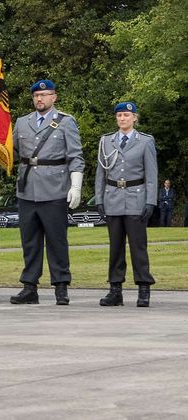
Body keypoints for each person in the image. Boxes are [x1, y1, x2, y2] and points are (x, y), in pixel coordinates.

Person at [10, 80, 84, 305]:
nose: (39, 99)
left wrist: (76, 185)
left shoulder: (65, 122)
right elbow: (12, 152)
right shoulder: (22, 123)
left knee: (56, 240)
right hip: (27, 189)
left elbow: (75, 156)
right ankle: (29, 287)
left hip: (54, 189)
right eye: (36, 95)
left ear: (54, 97)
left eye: (44, 95)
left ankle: (61, 286)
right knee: (29, 242)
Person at [95, 102, 157, 307]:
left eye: (126, 115)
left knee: (138, 246)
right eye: (119, 115)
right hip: (112, 197)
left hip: (135, 198)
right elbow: (100, 174)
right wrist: (99, 199)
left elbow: (151, 176)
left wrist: (150, 201)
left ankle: (143, 288)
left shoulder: (145, 141)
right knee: (115, 247)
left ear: (134, 118)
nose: (122, 119)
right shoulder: (106, 141)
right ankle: (115, 290)